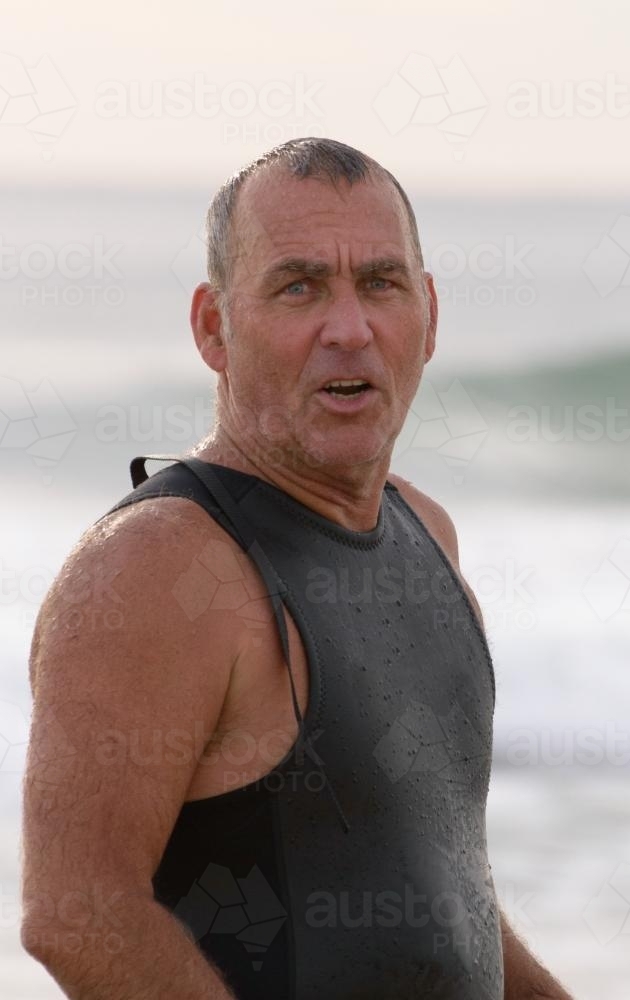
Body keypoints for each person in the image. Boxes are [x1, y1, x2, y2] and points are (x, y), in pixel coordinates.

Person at [21, 138, 574, 999]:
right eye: (299, 286)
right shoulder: (155, 567)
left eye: (380, 284)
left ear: (427, 314)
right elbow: (77, 913)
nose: (349, 329)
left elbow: (443, 894)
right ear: (214, 328)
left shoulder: (425, 533)